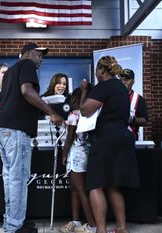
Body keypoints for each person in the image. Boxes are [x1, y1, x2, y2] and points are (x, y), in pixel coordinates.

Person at [0, 43, 64, 233]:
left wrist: (39, 106)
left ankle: (12, 222)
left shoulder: (9, 72)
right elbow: (27, 92)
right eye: (39, 55)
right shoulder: (27, 65)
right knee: (17, 179)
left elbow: (19, 99)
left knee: (10, 178)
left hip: (2, 128)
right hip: (15, 130)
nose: (41, 59)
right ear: (28, 54)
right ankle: (15, 227)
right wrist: (52, 112)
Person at [80, 56, 140, 233]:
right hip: (123, 135)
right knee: (114, 184)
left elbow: (85, 110)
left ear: (101, 70)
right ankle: (122, 228)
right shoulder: (121, 87)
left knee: (96, 184)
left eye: (97, 71)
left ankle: (101, 230)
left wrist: (84, 91)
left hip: (106, 138)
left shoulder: (104, 86)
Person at [60, 87, 96, 233]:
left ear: (76, 99)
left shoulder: (74, 114)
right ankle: (75, 221)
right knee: (75, 189)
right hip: (85, 153)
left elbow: (69, 138)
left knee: (80, 190)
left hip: (75, 155)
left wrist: (64, 153)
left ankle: (92, 226)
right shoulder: (89, 114)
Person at [118, 68, 149, 140]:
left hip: (131, 139)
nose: (123, 82)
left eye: (126, 79)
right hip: (113, 138)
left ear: (133, 81)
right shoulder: (112, 96)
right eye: (121, 79)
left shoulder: (139, 99)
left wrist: (132, 119)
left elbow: (144, 121)